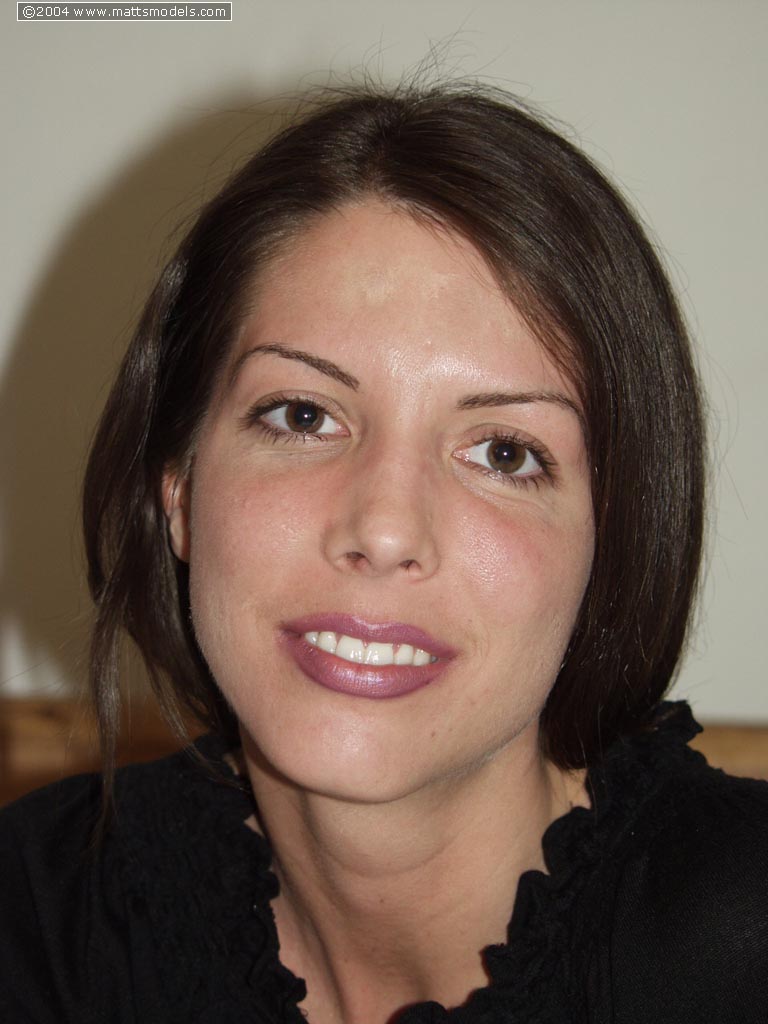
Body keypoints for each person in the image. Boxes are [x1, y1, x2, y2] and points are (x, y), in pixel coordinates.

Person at [1, 80, 766, 1024]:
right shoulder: (38, 925)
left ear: (609, 545)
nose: (385, 529)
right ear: (179, 491)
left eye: (504, 453)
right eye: (303, 415)